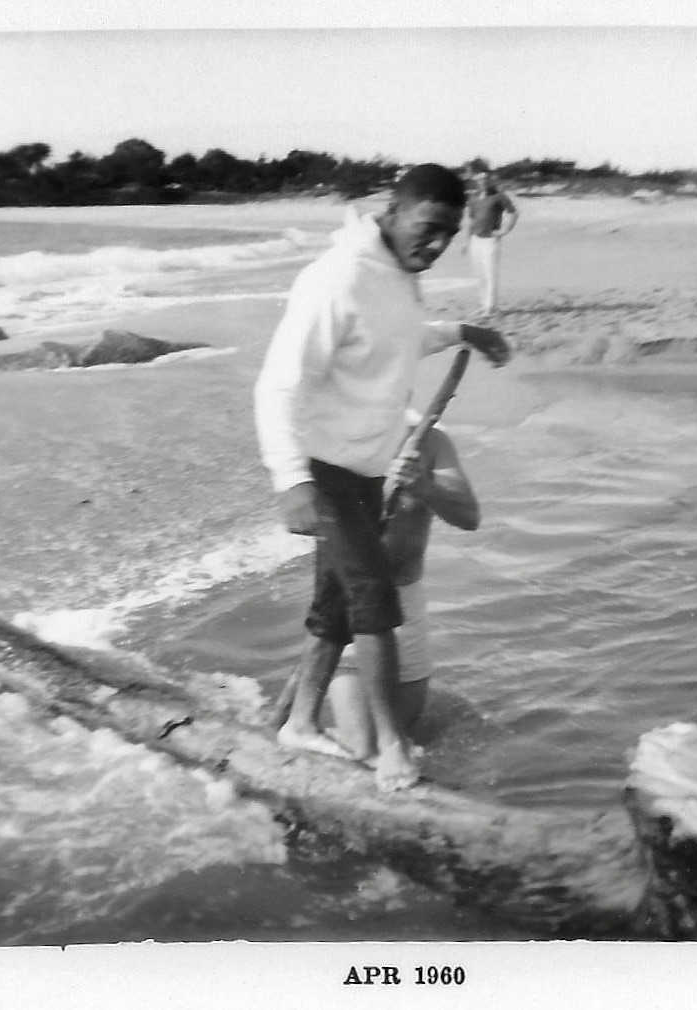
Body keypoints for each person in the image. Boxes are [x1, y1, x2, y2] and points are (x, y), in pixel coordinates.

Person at [253, 163, 510, 792]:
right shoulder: (337, 278)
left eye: (448, 235)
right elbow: (280, 383)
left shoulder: (395, 276)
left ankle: (300, 724)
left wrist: (460, 332)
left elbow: (394, 339)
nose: (436, 244)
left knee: (335, 609)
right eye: (427, 228)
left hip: (363, 466)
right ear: (392, 212)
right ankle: (394, 749)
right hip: (326, 465)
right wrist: (291, 478)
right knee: (374, 601)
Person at [325, 416, 479, 761]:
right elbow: (306, 520)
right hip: (353, 605)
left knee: (401, 745)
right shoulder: (335, 437)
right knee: (362, 749)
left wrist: (424, 487)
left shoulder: (431, 443)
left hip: (408, 605)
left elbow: (470, 517)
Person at [465, 170, 519, 315]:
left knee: (490, 274)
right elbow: (471, 220)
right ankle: (483, 304)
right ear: (477, 182)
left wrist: (505, 231)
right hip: (476, 240)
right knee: (479, 274)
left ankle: (491, 307)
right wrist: (467, 241)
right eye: (480, 180)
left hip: (490, 240)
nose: (483, 182)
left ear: (491, 181)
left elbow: (514, 212)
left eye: (486, 179)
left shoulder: (499, 197)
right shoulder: (474, 198)